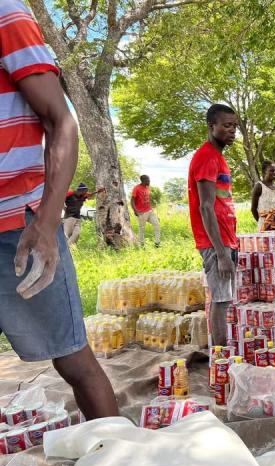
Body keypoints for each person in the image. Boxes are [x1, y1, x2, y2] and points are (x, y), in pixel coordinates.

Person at [0, 0, 117, 419]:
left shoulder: (6, 13)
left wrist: (47, 225)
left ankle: (117, 458)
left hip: (18, 229)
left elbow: (60, 121)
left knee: (72, 359)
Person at [188, 104, 239, 346]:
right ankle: (220, 357)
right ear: (212, 126)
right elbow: (205, 207)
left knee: (225, 299)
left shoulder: (217, 157)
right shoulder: (206, 156)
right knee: (220, 300)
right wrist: (221, 253)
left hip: (226, 240)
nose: (232, 131)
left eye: (235, 126)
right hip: (214, 243)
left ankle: (223, 354)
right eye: (227, 125)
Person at [251, 161, 275, 231]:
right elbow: (253, 209)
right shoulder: (259, 186)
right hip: (264, 223)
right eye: (272, 171)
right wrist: (262, 221)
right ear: (264, 172)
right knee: (265, 242)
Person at [131, 175, 160, 247]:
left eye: (149, 180)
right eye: (148, 180)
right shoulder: (136, 188)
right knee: (142, 229)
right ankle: (141, 245)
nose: (149, 181)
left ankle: (157, 243)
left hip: (150, 211)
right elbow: (132, 201)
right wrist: (135, 211)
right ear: (143, 180)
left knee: (157, 224)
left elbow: (147, 199)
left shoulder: (147, 188)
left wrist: (152, 209)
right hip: (142, 212)